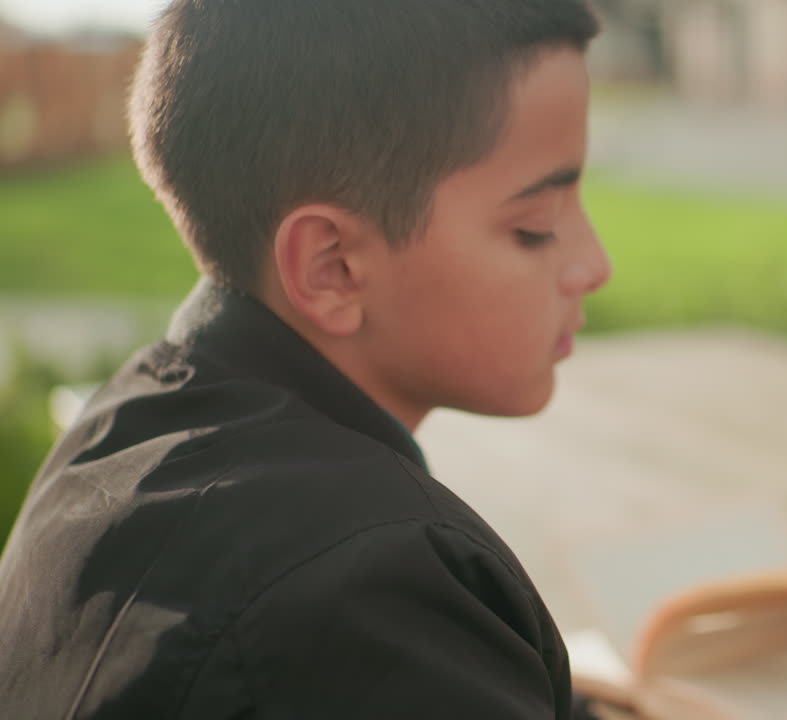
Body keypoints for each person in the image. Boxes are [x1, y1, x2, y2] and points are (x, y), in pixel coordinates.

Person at [0, 1, 612, 718]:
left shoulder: (113, 434)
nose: (593, 264)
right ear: (333, 267)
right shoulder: (375, 599)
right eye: (534, 227)